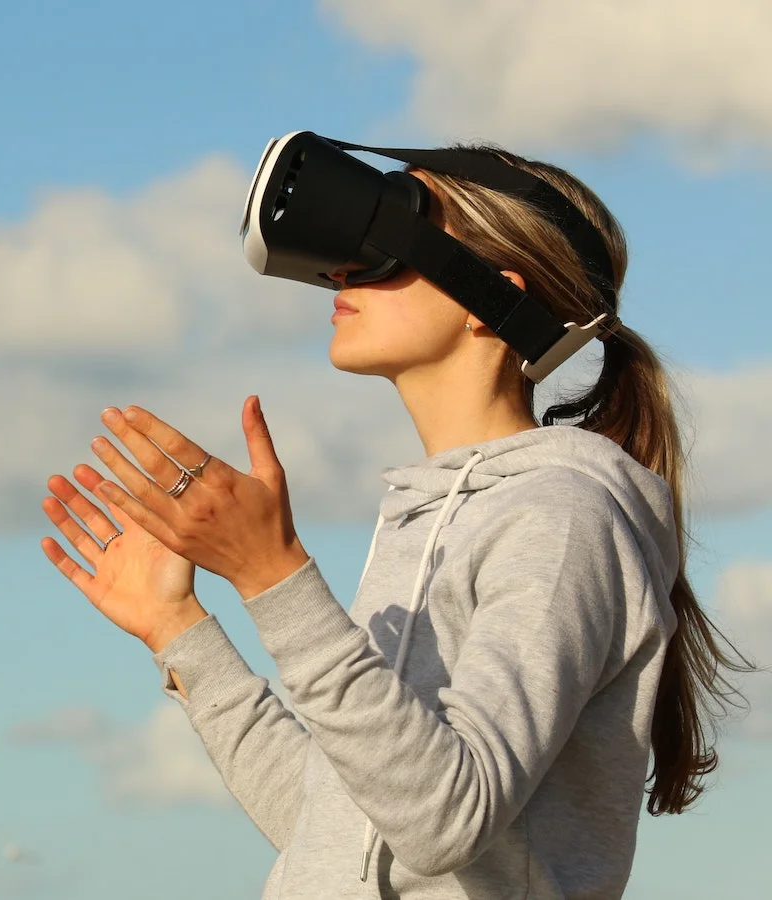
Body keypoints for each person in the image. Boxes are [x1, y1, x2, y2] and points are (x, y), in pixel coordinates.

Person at [38, 145, 754, 898]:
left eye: (386, 238)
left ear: (491, 299)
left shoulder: (563, 516)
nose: (341, 269)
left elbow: (448, 821)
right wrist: (179, 630)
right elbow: (342, 834)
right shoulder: (423, 519)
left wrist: (271, 574)